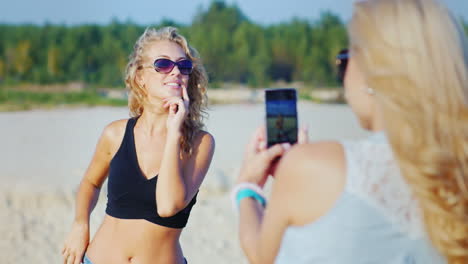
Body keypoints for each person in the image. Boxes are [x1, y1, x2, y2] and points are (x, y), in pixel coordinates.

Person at [232, 0, 468, 263]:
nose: (343, 72)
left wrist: (247, 188)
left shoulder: (313, 166)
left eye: (344, 60)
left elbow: (262, 255)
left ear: (370, 70)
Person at [62, 27, 215, 264]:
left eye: (183, 66)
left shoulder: (199, 143)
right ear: (140, 77)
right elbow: (90, 183)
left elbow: (167, 206)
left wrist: (174, 130)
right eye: (163, 64)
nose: (175, 72)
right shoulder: (115, 133)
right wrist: (80, 224)